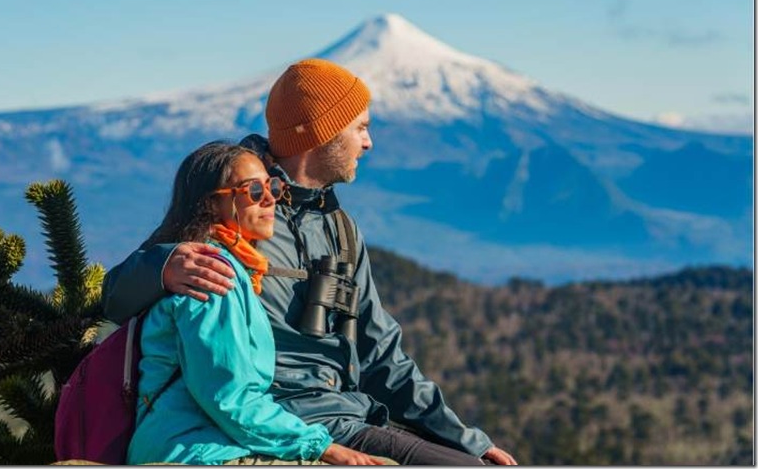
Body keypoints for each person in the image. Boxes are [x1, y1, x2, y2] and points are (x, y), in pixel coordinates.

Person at [105, 58, 519, 465]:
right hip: (286, 423)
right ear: (321, 133)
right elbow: (115, 296)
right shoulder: (239, 211)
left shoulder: (340, 229)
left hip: (345, 414)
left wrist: (467, 440)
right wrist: (162, 265)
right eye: (361, 127)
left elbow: (380, 354)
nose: (369, 142)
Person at [126, 141, 383, 465]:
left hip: (207, 444)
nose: (271, 199)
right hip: (197, 450)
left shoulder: (224, 266)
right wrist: (322, 446)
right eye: (255, 190)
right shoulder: (212, 274)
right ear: (212, 204)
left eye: (273, 187)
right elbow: (229, 397)